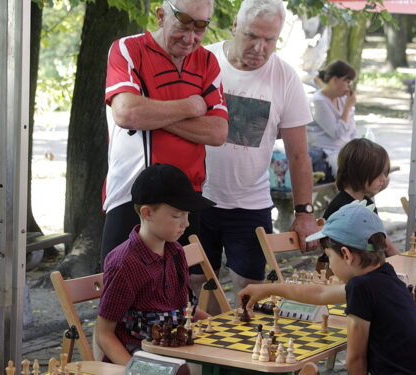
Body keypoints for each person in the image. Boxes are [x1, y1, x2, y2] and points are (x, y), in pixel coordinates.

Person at [238, 201, 416, 375]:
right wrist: (268, 289)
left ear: (346, 254)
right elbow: (321, 293)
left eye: (329, 257)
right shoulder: (385, 276)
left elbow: (355, 359)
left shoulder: (361, 287)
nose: (330, 264)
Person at [197, 0, 318, 295]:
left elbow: (299, 154)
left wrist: (304, 212)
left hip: (250, 203)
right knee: (197, 287)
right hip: (197, 197)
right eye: (252, 36)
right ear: (235, 26)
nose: (260, 47)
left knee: (252, 289)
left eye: (270, 39)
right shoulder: (202, 60)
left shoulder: (285, 78)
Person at [100, 0, 229, 268]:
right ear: (160, 16)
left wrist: (152, 111)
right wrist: (191, 106)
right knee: (122, 289)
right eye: (182, 25)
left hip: (187, 195)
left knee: (178, 293)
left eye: (200, 28)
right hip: (133, 194)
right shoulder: (128, 49)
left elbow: (218, 132)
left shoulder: (207, 61)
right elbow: (126, 114)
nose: (190, 38)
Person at [95, 164, 213, 364]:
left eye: (187, 214)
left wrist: (222, 326)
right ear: (147, 213)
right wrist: (135, 371)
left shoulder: (175, 251)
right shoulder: (125, 264)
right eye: (177, 215)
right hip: (139, 357)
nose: (186, 223)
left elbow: (186, 309)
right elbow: (104, 334)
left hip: (176, 350)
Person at [324, 138, 397, 255]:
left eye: (385, 173)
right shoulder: (341, 208)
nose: (384, 179)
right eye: (379, 173)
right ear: (359, 171)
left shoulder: (367, 203)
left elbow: (382, 244)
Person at [306, 60, 357, 176]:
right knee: (359, 176)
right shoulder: (318, 101)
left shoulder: (343, 99)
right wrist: (348, 107)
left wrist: (358, 150)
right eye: (347, 81)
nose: (349, 86)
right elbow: (336, 133)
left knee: (375, 170)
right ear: (334, 80)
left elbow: (353, 131)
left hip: (344, 152)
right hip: (325, 155)